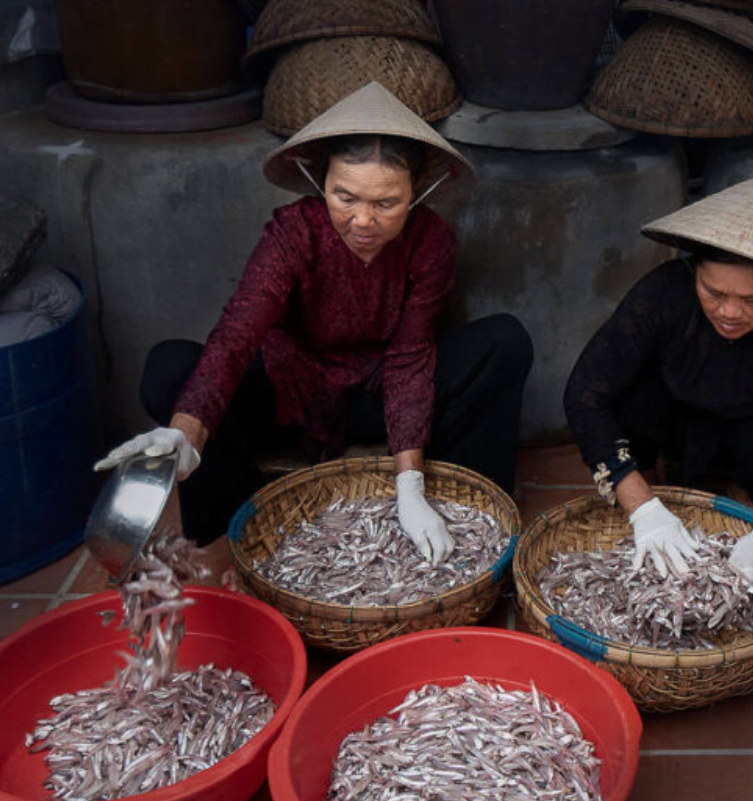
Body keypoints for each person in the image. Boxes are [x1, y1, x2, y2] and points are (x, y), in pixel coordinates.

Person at [96, 82, 533, 560]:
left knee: (503, 341)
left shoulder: (431, 241)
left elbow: (411, 357)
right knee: (170, 366)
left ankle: (471, 516)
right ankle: (245, 526)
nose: (362, 220)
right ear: (320, 182)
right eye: (344, 196)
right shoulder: (293, 231)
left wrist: (409, 483)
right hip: (291, 396)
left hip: (377, 398)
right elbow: (238, 335)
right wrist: (187, 429)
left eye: (385, 204)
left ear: (417, 193)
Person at [564, 171, 753, 584]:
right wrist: (642, 507)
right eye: (714, 292)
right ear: (696, 272)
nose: (728, 312)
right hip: (673, 418)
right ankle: (656, 496)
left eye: (751, 300)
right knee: (630, 395)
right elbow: (585, 394)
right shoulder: (665, 293)